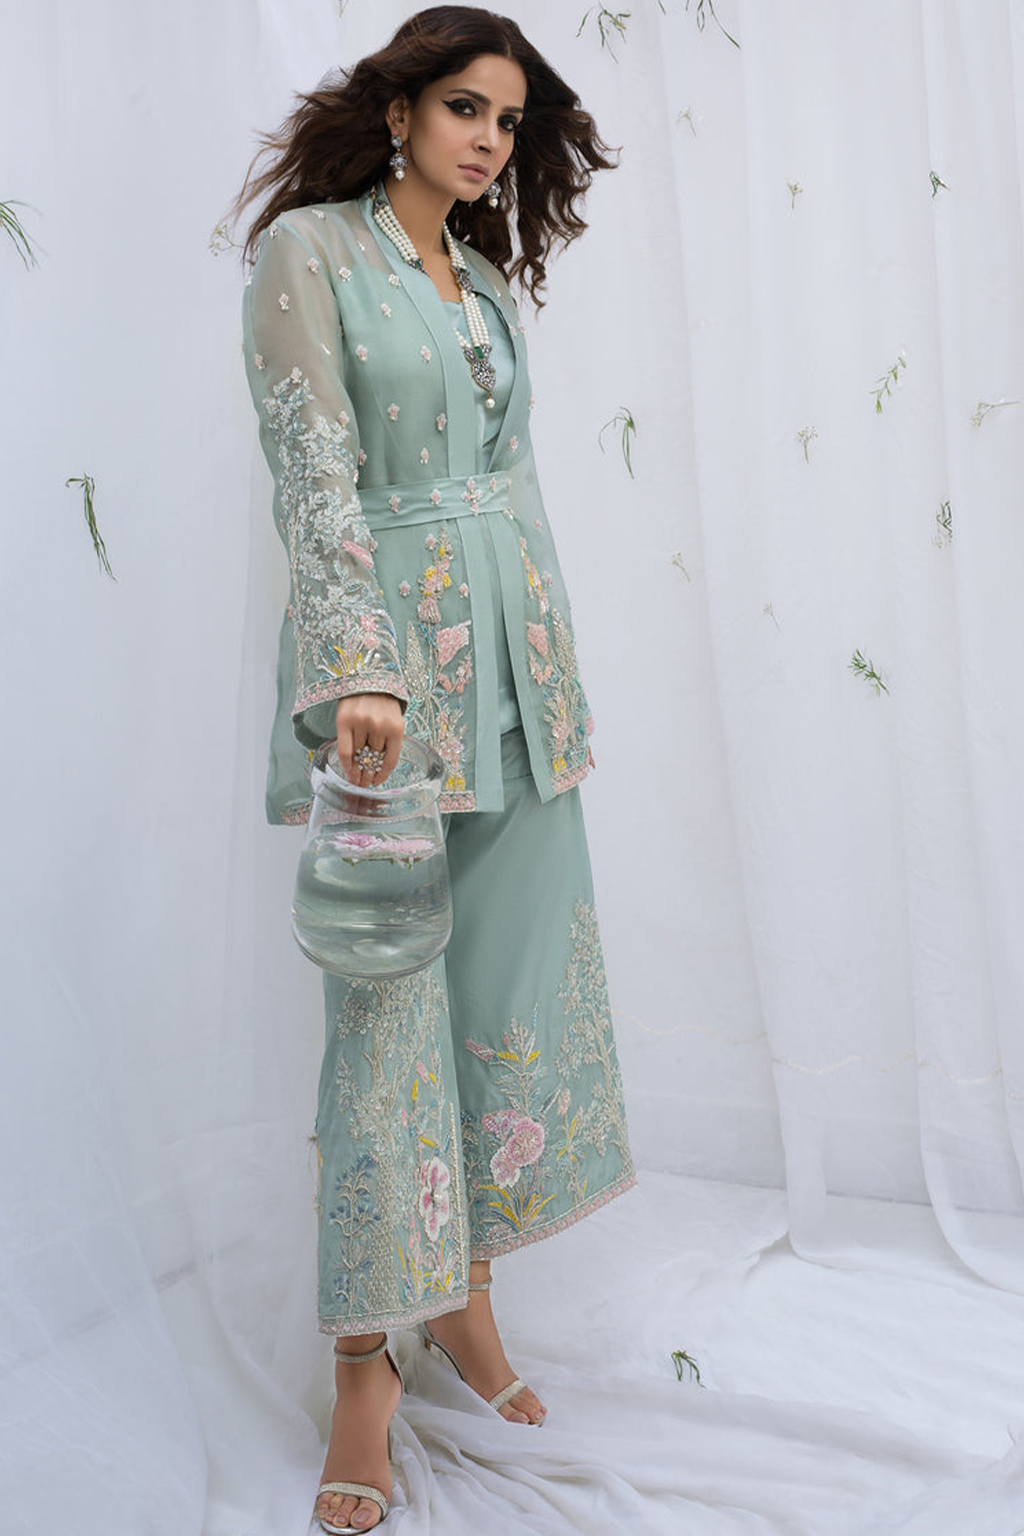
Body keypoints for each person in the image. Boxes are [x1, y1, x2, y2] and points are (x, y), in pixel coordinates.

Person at [236, 7, 636, 1530]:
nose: (489, 139)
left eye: (509, 120)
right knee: (387, 1014)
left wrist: (557, 680)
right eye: (465, 106)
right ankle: (364, 1362)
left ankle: (463, 1295)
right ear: (399, 110)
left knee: (502, 999)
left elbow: (514, 486)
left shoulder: (484, 280)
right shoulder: (309, 254)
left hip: (522, 684)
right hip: (390, 692)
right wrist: (362, 665)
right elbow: (311, 466)